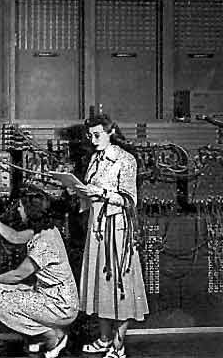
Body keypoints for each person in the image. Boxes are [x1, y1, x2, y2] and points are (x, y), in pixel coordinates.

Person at [74, 114, 149, 358]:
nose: (93, 140)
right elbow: (90, 192)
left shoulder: (125, 160)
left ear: (111, 132)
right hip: (96, 229)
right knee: (100, 285)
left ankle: (118, 346)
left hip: (117, 231)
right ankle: (105, 338)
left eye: (97, 135)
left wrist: (101, 192)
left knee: (121, 286)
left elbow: (129, 200)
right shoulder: (95, 158)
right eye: (90, 135)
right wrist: (78, 190)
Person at [0, 193, 79, 358]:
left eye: (21, 207)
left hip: (61, 306)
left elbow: (17, 275)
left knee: (2, 304)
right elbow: (14, 237)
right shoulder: (46, 229)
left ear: (31, 211)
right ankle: (45, 335)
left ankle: (52, 337)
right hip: (53, 298)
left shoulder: (44, 242)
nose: (19, 209)